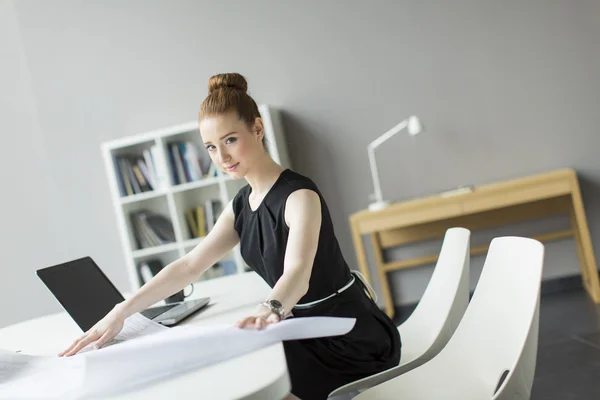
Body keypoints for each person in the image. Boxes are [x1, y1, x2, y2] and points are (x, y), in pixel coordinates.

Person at [59, 73, 401, 400]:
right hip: (296, 325)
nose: (221, 157)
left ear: (257, 128)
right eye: (210, 147)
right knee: (229, 368)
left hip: (346, 333)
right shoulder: (241, 205)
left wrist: (270, 309)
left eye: (230, 140)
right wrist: (122, 311)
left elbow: (297, 272)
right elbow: (190, 265)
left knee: (253, 376)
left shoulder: (299, 196)